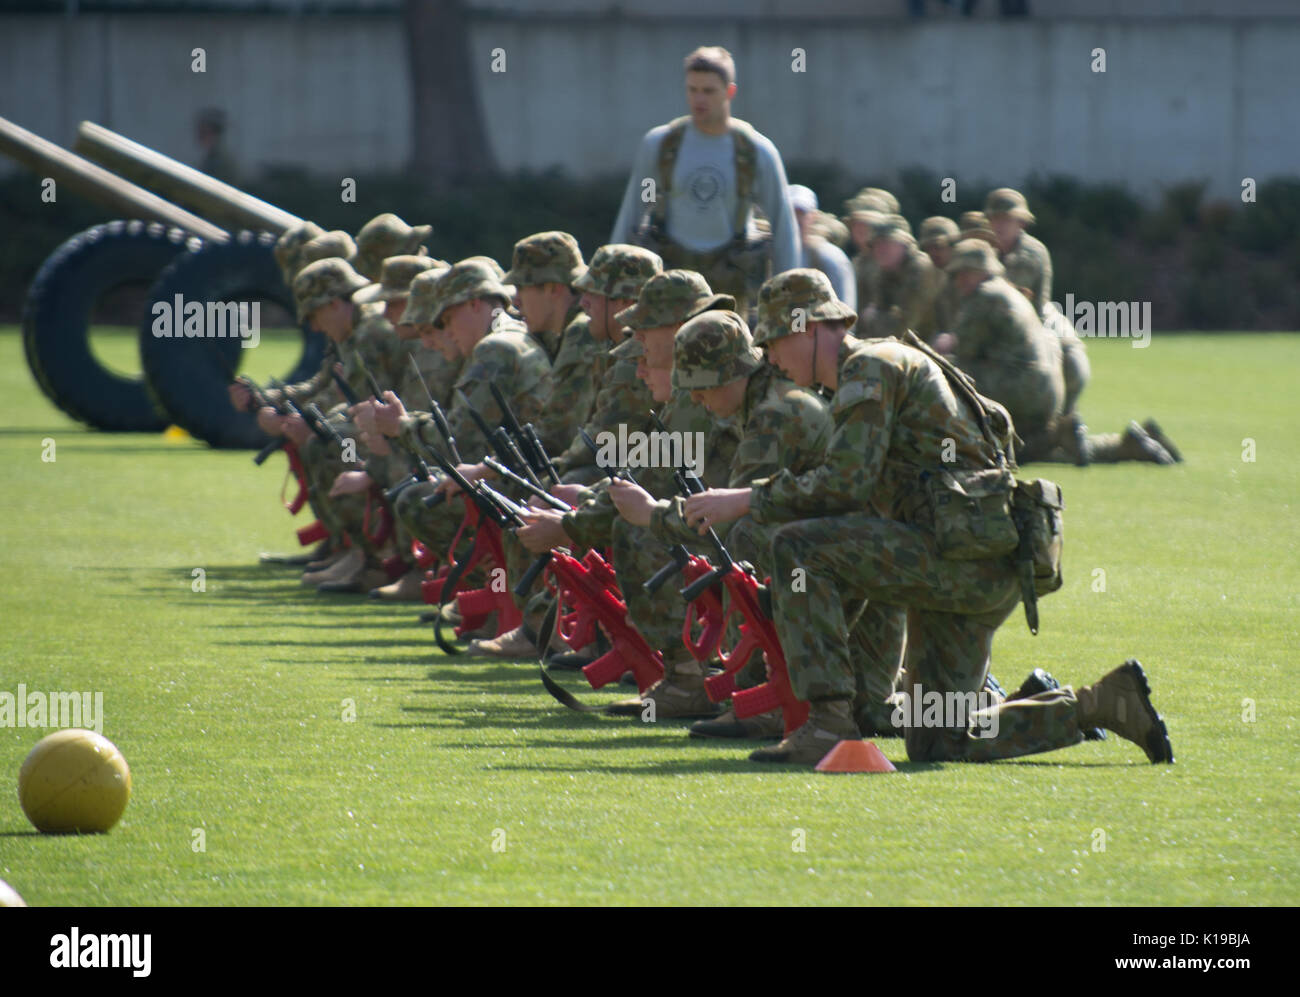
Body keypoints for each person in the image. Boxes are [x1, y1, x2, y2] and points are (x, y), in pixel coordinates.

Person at [680, 269, 1174, 767]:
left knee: (798, 545)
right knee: (940, 740)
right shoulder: (874, 367)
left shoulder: (870, 369)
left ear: (808, 328)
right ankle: (1103, 703)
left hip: (958, 558)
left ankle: (828, 726)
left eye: (773, 340)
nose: (768, 356)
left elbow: (842, 486)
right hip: (978, 559)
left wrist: (745, 500)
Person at [946, 239, 1174, 464]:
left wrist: (943, 348)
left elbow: (965, 352)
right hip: (1046, 388)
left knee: (947, 374)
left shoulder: (983, 297)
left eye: (963, 273)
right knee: (1025, 448)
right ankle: (1125, 446)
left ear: (979, 271)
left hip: (1018, 388)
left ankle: (1054, 435)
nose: (958, 281)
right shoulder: (1010, 291)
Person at [609, 45, 799, 315]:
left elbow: (783, 227)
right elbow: (632, 214)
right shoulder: (660, 145)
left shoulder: (756, 151)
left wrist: (789, 298)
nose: (699, 99)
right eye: (692, 89)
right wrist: (610, 286)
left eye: (708, 91)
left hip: (731, 289)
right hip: (670, 288)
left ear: (729, 92)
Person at [788, 184, 855, 310]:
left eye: (801, 213)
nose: (796, 219)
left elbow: (845, 313)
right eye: (790, 212)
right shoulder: (765, 255)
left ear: (813, 217)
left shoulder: (830, 259)